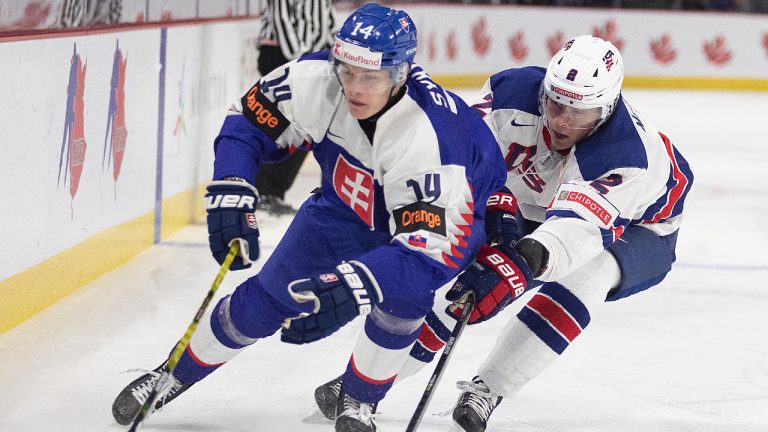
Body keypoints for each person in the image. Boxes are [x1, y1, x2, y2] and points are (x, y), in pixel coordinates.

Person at [110, 3, 506, 432]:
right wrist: (232, 185)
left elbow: (423, 256)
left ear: (401, 74)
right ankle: (171, 374)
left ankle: (359, 399)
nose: (353, 87)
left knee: (402, 299)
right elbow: (247, 120)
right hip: (345, 208)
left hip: (449, 221)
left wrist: (353, 284)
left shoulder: (430, 137)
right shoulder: (316, 78)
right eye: (347, 71)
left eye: (369, 77)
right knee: (267, 298)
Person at [312, 35, 694, 432]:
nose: (561, 120)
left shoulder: (625, 155)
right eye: (555, 103)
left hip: (641, 226)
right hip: (534, 205)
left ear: (606, 109)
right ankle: (363, 385)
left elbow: (575, 231)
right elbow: (466, 160)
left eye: (578, 112)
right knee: (451, 282)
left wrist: (521, 262)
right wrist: (496, 207)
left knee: (586, 277)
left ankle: (488, 388)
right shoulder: (509, 93)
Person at [254, 0, 338, 216]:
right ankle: (264, 191)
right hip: (280, 56)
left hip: (308, 59)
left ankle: (271, 190)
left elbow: (327, 21)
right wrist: (302, 60)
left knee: (309, 127)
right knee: (287, 124)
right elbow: (281, 19)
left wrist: (333, 55)